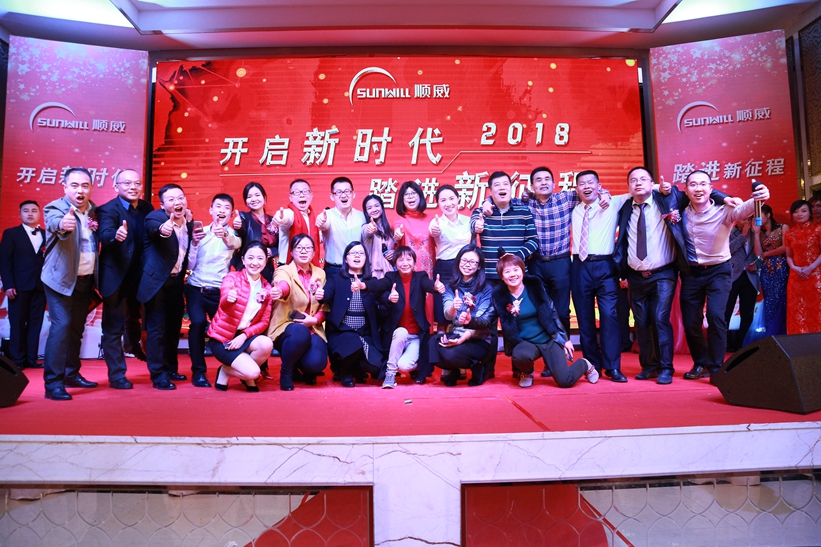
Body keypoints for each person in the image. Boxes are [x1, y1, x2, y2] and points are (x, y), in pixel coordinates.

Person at [614, 167, 730, 384]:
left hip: (663, 272)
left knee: (660, 318)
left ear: (653, 184)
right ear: (628, 186)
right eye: (633, 180)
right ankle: (649, 366)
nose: (638, 183)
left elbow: (699, 191)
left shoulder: (668, 198)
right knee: (641, 322)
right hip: (635, 274)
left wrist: (726, 198)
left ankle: (666, 368)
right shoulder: (624, 206)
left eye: (643, 179)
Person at [666, 171, 769, 379]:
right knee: (691, 322)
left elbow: (744, 209)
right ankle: (700, 362)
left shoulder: (725, 210)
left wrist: (760, 197)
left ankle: (715, 366)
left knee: (715, 316)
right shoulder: (680, 212)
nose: (698, 189)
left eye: (703, 184)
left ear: (711, 189)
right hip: (691, 273)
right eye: (693, 185)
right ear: (686, 190)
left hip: (719, 272)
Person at [492, 253, 598, 388]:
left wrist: (565, 339)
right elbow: (488, 317)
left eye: (516, 269)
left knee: (565, 381)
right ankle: (527, 372)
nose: (512, 274)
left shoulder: (534, 286)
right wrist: (471, 320)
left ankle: (585, 364)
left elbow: (552, 312)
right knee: (520, 355)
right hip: (526, 343)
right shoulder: (499, 296)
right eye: (507, 271)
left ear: (522, 271)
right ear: (502, 276)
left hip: (548, 339)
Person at [40, 167, 100, 401]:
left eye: (85, 185)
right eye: (74, 185)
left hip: (84, 280)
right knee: (62, 325)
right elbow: (54, 222)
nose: (79, 190)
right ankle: (53, 383)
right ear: (65, 187)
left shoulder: (95, 211)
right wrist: (63, 225)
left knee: (75, 328)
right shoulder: (55, 208)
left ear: (91, 188)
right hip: (60, 280)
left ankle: (70, 374)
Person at [570, 170, 630, 382]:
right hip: (579, 266)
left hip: (606, 266)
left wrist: (664, 187)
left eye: (591, 183)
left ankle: (613, 367)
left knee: (609, 315)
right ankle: (591, 364)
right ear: (577, 189)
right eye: (582, 183)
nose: (586, 186)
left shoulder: (612, 203)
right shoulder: (572, 208)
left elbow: (642, 189)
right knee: (584, 318)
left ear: (599, 185)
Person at [137, 184, 198, 391]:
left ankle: (171, 368)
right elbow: (156, 229)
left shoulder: (189, 223)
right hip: (156, 283)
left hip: (176, 282)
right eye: (171, 199)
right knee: (157, 330)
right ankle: (158, 375)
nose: (177, 202)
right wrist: (164, 230)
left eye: (180, 197)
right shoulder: (155, 218)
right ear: (162, 205)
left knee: (173, 328)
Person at [97, 169, 153, 389]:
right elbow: (104, 234)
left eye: (137, 183)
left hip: (140, 276)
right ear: (116, 186)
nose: (133, 187)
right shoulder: (108, 209)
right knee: (113, 328)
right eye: (127, 183)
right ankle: (117, 375)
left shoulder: (147, 208)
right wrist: (116, 236)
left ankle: (138, 350)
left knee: (138, 319)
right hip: (116, 276)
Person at [366, 246, 445, 388]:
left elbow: (428, 285)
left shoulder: (420, 277)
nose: (405, 263)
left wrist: (435, 286)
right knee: (401, 331)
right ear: (395, 263)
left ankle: (417, 364)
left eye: (409, 259)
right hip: (397, 336)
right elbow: (378, 285)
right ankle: (390, 374)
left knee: (403, 366)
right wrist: (363, 286)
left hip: (415, 337)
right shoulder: (391, 277)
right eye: (400, 260)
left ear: (414, 263)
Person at [185, 193, 241, 388]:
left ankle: (229, 368)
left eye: (226, 208)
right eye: (218, 206)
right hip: (196, 288)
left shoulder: (234, 235)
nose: (221, 210)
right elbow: (190, 264)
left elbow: (234, 243)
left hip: (219, 291)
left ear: (231, 214)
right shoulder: (199, 233)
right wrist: (193, 243)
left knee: (227, 330)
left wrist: (224, 234)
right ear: (210, 210)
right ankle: (199, 372)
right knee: (198, 323)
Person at [207, 243, 274, 392]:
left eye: (260, 258)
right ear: (243, 260)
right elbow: (223, 303)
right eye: (250, 258)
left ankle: (227, 369)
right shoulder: (232, 278)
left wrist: (244, 336)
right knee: (254, 373)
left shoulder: (266, 288)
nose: (255, 262)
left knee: (266, 344)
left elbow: (264, 322)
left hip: (244, 337)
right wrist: (228, 298)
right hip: (223, 338)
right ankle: (240, 372)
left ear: (266, 261)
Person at [268, 234, 328, 391]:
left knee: (316, 364)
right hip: (287, 327)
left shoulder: (320, 273)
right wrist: (280, 291)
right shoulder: (284, 270)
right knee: (300, 332)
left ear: (314, 252)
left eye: (308, 248)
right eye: (299, 248)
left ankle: (300, 365)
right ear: (291, 252)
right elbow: (283, 284)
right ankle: (287, 371)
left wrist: (315, 320)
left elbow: (324, 306)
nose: (303, 251)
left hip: (312, 327)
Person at [429, 244, 495, 387]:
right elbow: (448, 316)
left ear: (479, 266)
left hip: (477, 339)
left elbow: (481, 321)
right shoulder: (450, 287)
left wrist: (461, 340)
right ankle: (455, 369)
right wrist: (453, 307)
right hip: (456, 334)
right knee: (431, 344)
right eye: (464, 260)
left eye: (472, 262)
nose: (467, 265)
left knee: (450, 354)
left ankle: (476, 367)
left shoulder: (486, 289)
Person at [321, 241, 384, 387]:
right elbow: (326, 294)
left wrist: (390, 297)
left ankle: (355, 367)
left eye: (361, 253)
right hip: (341, 332)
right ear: (345, 258)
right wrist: (320, 294)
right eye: (353, 253)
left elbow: (383, 296)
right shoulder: (336, 279)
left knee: (375, 367)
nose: (357, 256)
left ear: (366, 258)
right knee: (352, 344)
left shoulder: (371, 281)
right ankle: (345, 371)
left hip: (364, 333)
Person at [0, 200, 46, 370]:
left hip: (41, 286)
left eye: (34, 210)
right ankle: (18, 360)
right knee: (17, 323)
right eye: (26, 211)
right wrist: (8, 284)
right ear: (20, 213)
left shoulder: (46, 235)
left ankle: (31, 358)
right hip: (18, 287)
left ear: (39, 214)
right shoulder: (11, 233)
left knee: (36, 323)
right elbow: (4, 261)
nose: (30, 214)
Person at [471, 171, 539, 283]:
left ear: (511, 188)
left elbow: (534, 240)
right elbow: (473, 224)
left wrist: (516, 257)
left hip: (517, 276)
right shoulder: (480, 212)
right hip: (489, 277)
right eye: (497, 185)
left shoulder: (524, 211)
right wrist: (477, 226)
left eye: (505, 184)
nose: (502, 187)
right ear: (490, 191)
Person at [429, 184, 471, 329]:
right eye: (443, 200)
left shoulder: (468, 221)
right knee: (443, 317)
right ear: (438, 203)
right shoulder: (436, 222)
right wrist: (434, 230)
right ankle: (441, 342)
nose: (448, 203)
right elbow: (433, 231)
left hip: (466, 269)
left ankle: (465, 341)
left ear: (458, 199)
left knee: (467, 310)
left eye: (451, 198)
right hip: (445, 269)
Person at [783, 200, 821, 334]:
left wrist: (810, 268)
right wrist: (794, 268)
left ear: (810, 213)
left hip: (815, 276)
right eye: (796, 211)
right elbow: (789, 255)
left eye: (803, 211)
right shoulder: (789, 233)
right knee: (797, 311)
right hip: (796, 277)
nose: (799, 214)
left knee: (816, 310)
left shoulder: (818, 229)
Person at [318, 177, 366, 278]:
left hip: (358, 269)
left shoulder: (361, 216)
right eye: (339, 192)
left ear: (353, 194)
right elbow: (324, 225)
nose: (343, 195)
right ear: (332, 196)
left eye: (347, 191)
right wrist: (321, 222)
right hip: (333, 270)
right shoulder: (327, 215)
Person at [752, 204, 789, 336]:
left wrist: (767, 254)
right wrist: (756, 233)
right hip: (767, 271)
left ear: (768, 215)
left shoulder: (783, 227)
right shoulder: (760, 232)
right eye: (754, 217)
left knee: (781, 299)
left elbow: (786, 248)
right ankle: (771, 333)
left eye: (759, 215)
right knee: (769, 301)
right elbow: (758, 253)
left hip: (781, 267)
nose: (756, 219)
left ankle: (782, 333)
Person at [724, 216, 760, 352]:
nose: (747, 222)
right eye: (744, 219)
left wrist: (757, 264)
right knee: (726, 311)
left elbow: (762, 254)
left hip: (750, 277)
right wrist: (743, 235)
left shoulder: (756, 232)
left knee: (747, 313)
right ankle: (724, 343)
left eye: (749, 219)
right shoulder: (728, 231)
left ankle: (743, 343)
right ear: (737, 219)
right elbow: (726, 250)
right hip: (732, 275)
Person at [231, 181, 277, 282]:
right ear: (246, 201)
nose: (254, 199)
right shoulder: (243, 217)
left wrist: (272, 251)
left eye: (257, 195)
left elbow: (280, 245)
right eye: (249, 196)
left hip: (268, 270)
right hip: (248, 269)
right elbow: (241, 232)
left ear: (264, 198)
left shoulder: (273, 220)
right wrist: (238, 227)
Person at [273, 179, 320, 268]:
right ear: (290, 197)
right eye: (297, 192)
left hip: (309, 267)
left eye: (305, 191)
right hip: (288, 267)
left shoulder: (312, 218)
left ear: (311, 196)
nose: (302, 195)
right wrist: (279, 217)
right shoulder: (290, 213)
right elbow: (286, 217)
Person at [395, 180, 434, 278]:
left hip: (429, 271)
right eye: (406, 194)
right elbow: (397, 230)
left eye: (413, 193)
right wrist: (397, 234)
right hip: (408, 272)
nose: (410, 196)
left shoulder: (431, 220)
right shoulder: (399, 221)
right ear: (402, 199)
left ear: (420, 196)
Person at [361, 194, 395, 279]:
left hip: (390, 272)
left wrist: (393, 253)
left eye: (376, 206)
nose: (374, 210)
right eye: (369, 208)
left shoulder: (389, 230)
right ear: (366, 212)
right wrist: (370, 229)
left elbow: (394, 248)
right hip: (374, 274)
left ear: (382, 207)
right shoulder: (365, 227)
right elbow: (366, 231)